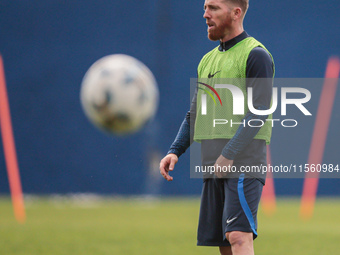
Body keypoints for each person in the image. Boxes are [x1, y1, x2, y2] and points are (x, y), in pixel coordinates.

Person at [159, 0, 274, 254]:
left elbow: (260, 111)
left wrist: (229, 153)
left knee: (238, 236)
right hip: (214, 162)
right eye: (205, 7)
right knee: (223, 243)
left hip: (244, 161)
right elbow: (194, 114)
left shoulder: (256, 55)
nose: (205, 15)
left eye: (213, 8)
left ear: (235, 13)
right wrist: (174, 150)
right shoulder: (206, 61)